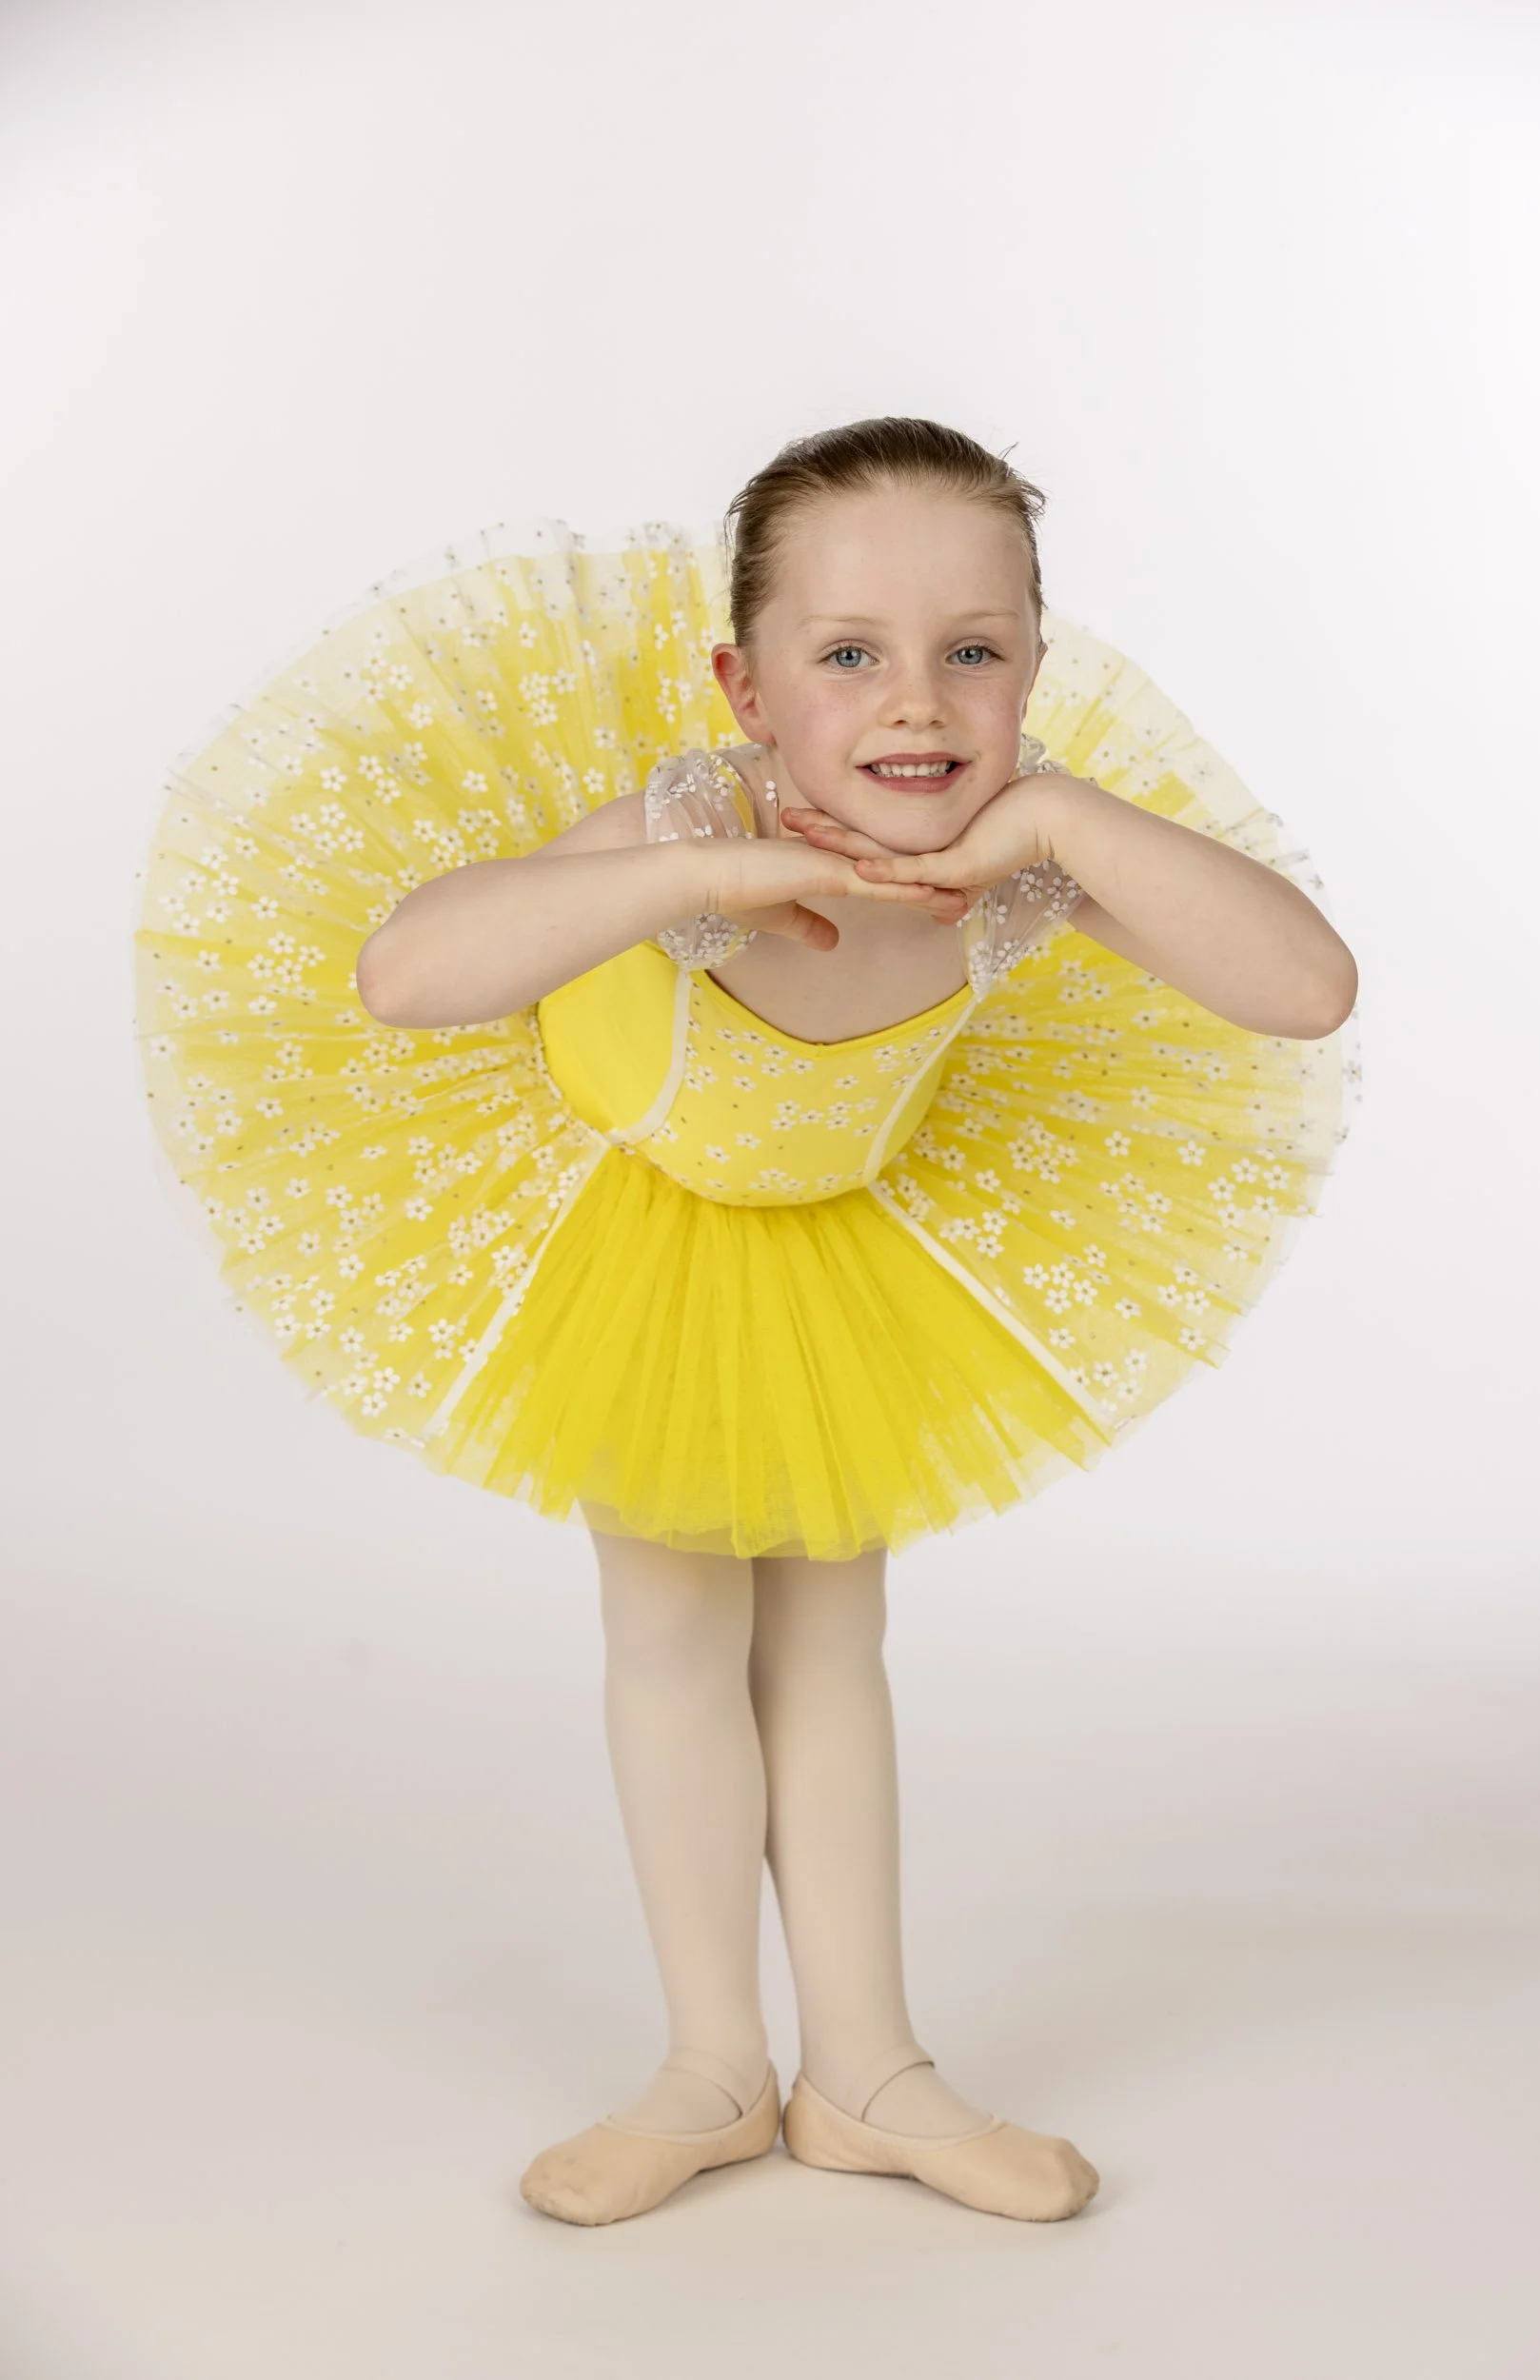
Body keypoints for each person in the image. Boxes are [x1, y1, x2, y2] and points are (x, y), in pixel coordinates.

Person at [133, 416, 1360, 2229]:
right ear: (745, 688)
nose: (915, 701)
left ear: (1033, 666)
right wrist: (696, 879)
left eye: (973, 649)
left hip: (831, 1241)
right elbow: (406, 973)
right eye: (847, 653)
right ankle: (709, 2065)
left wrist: (1063, 820)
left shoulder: (1017, 859)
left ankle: (865, 2070)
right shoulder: (694, 818)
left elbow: (1306, 987)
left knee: (836, 1645)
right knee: (678, 1633)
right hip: (641, 1228)